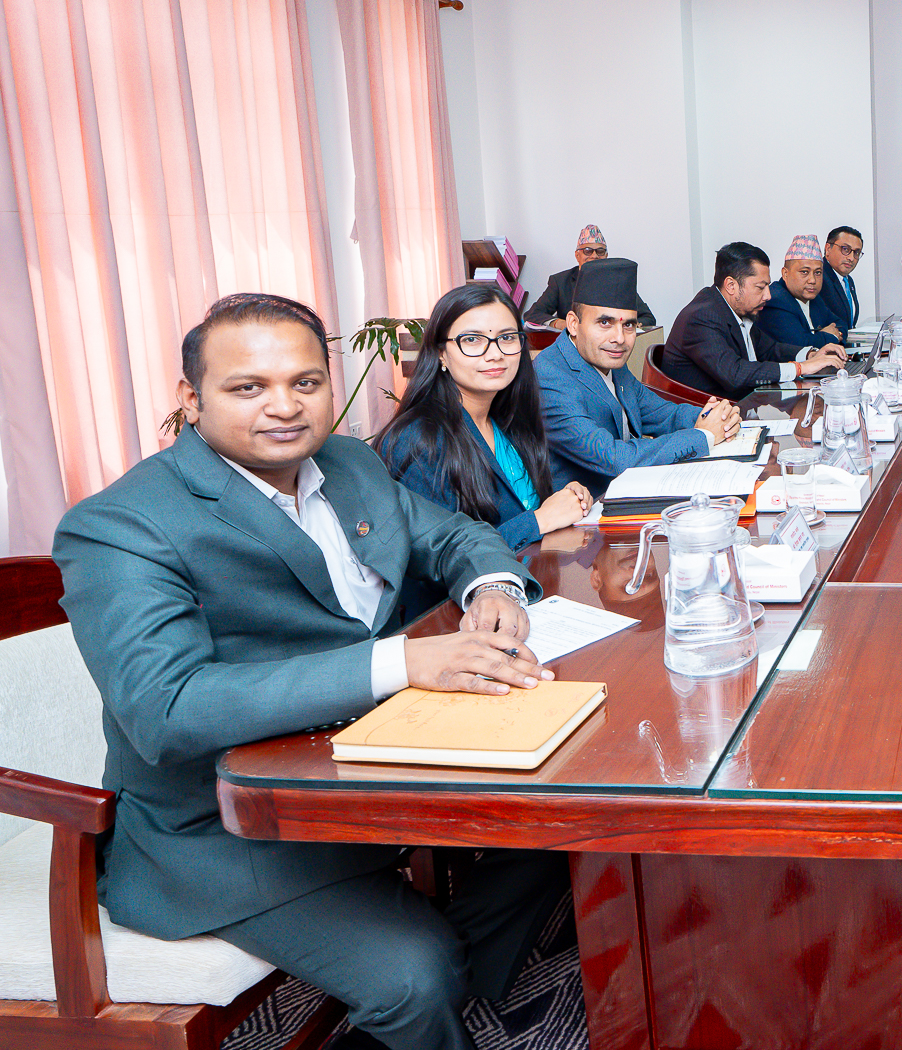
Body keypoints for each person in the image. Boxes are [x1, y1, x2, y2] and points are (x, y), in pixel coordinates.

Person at [53, 293, 565, 1050]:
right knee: (414, 973)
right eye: (248, 387)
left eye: (305, 382)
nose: (284, 406)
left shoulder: (350, 462)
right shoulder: (123, 524)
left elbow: (454, 535)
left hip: (370, 771)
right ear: (191, 398)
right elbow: (166, 708)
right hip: (227, 827)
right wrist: (402, 662)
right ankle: (425, 997)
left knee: (561, 833)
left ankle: (460, 996)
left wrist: (492, 587)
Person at [379, 283, 593, 553]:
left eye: (507, 337)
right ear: (441, 353)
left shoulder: (507, 420)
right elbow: (440, 558)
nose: (495, 354)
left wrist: (563, 496)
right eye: (472, 340)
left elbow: (521, 505)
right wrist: (539, 521)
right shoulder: (419, 439)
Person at [535, 258, 743, 497]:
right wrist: (703, 435)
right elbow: (613, 457)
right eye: (605, 322)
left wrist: (716, 417)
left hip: (628, 492)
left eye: (629, 325)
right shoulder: (550, 375)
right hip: (587, 509)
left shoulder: (611, 360)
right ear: (573, 324)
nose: (619, 338)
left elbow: (664, 414)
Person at [661, 241, 849, 401]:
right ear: (731, 285)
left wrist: (810, 355)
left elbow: (770, 349)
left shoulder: (738, 309)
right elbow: (735, 374)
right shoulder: (702, 317)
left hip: (742, 405)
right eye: (761, 287)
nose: (768, 295)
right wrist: (800, 368)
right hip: (709, 415)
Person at [521, 223, 654, 330]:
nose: (594, 256)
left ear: (606, 256)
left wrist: (626, 326)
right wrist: (560, 323)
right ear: (577, 255)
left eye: (600, 251)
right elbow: (532, 314)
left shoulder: (618, 281)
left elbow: (648, 317)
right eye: (588, 251)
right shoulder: (561, 282)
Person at [755, 234, 846, 349]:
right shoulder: (775, 300)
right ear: (785, 274)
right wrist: (831, 336)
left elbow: (841, 325)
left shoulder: (814, 299)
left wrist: (834, 334)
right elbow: (800, 345)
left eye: (818, 273)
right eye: (804, 272)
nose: (812, 280)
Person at [816, 225, 864, 333]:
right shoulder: (818, 277)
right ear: (828, 249)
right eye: (845, 249)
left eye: (856, 252)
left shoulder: (848, 280)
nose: (851, 258)